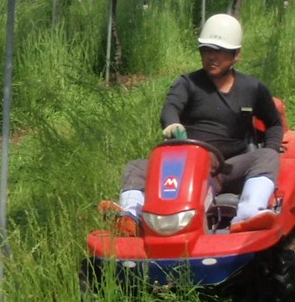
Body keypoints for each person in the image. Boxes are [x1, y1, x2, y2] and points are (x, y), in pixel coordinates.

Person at [108, 13, 283, 235]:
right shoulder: (187, 83)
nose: (212, 57)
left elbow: (274, 123)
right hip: (185, 165)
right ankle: (130, 216)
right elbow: (170, 108)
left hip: (227, 168)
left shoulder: (253, 89)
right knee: (136, 167)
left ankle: (249, 212)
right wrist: (172, 124)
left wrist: (272, 147)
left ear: (236, 54)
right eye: (207, 50)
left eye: (219, 51)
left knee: (267, 157)